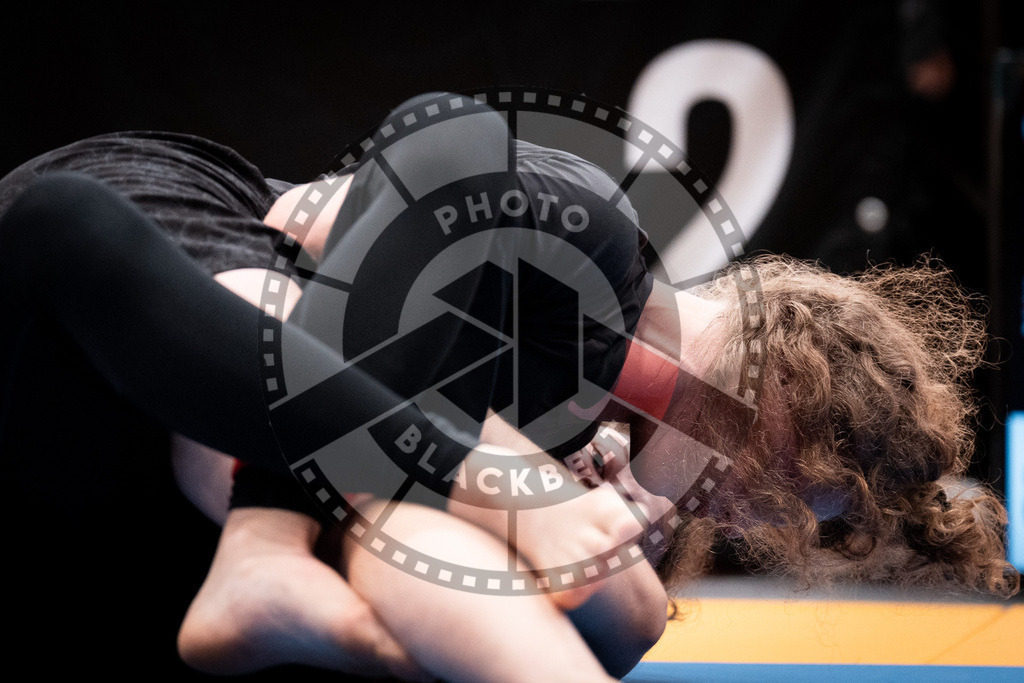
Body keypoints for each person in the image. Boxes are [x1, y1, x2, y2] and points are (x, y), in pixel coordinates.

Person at [1, 92, 1018, 680]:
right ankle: (262, 548)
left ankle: (267, 552)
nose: (747, 512)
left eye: (784, 512)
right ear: (783, 385)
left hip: (181, 400)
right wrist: (492, 481)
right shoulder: (606, 268)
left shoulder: (608, 421)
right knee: (515, 516)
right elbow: (436, 127)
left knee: (619, 602)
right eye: (781, 483)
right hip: (193, 243)